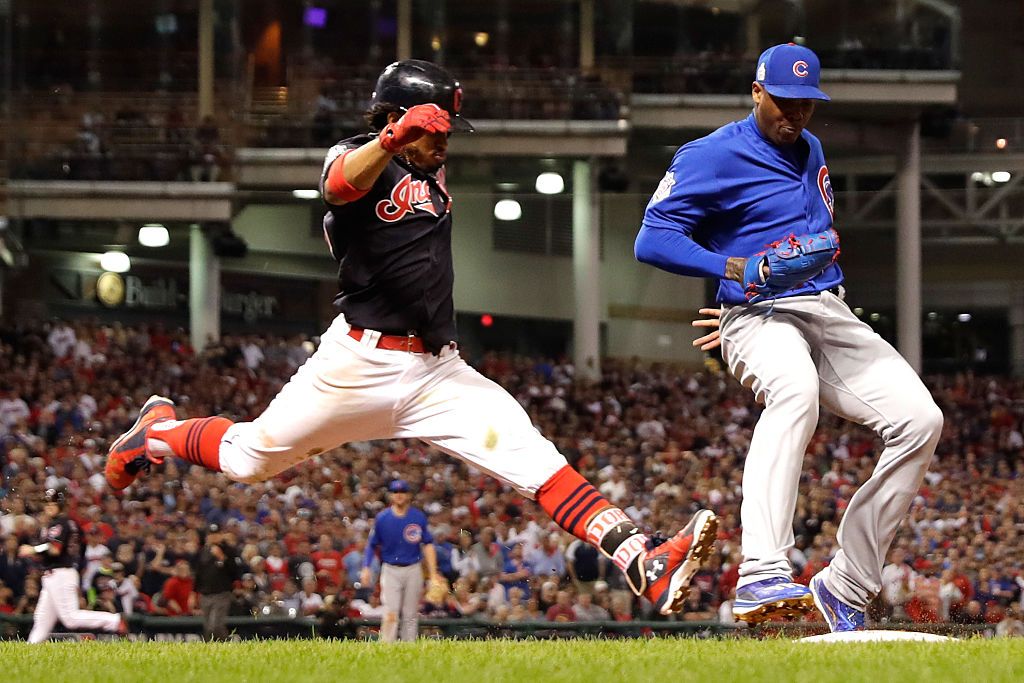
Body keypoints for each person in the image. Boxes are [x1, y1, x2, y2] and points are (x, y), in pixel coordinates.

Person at [104, 58, 718, 618]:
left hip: (436, 373)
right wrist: (394, 135)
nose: (445, 139)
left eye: (447, 129)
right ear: (397, 119)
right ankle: (157, 433)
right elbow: (337, 185)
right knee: (247, 459)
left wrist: (418, 135)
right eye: (436, 127)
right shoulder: (359, 155)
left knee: (535, 459)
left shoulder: (429, 163)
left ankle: (645, 560)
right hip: (357, 362)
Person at [635, 43, 943, 632]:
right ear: (757, 92)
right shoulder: (711, 155)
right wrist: (732, 273)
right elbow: (652, 239)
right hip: (759, 313)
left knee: (921, 421)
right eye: (782, 101)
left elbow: (806, 243)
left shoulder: (811, 148)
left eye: (805, 103)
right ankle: (762, 570)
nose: (794, 114)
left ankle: (845, 585)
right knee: (795, 391)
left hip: (826, 308)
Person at [19, 488, 126, 643]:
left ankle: (114, 621)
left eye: (53, 502)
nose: (49, 505)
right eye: (46, 502)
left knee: (70, 617)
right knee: (41, 619)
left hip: (60, 574)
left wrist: (32, 549)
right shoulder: (70, 524)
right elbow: (80, 548)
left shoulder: (59, 524)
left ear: (61, 504)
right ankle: (30, 648)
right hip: (58, 574)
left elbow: (54, 549)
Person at [358, 479, 439, 642]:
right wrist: (366, 567)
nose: (399, 495)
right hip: (390, 568)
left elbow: (428, 544)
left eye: (402, 492)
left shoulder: (417, 516)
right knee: (391, 611)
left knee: (410, 613)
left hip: (413, 567)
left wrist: (433, 573)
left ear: (408, 495)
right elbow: (372, 544)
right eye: (396, 492)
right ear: (391, 495)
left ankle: (409, 646)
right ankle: (388, 646)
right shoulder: (382, 518)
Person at [195, 523, 242, 640]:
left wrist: (222, 557)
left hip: (222, 593)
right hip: (205, 595)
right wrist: (193, 593)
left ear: (221, 535)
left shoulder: (229, 550)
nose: (213, 537)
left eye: (216, 534)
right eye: (211, 534)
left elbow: (235, 572)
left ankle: (226, 645)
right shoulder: (203, 552)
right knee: (207, 627)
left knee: (215, 626)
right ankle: (210, 650)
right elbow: (199, 574)